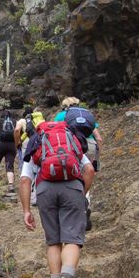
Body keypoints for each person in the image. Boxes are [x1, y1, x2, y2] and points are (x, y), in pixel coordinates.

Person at [19, 121, 96, 278]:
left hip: (45, 190)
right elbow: (90, 170)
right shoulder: (70, 141)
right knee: (72, 239)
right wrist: (81, 194)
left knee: (53, 241)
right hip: (72, 187)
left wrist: (26, 210)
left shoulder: (35, 143)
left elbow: (24, 180)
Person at [53, 97, 103, 230]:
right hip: (91, 146)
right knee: (86, 179)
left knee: (72, 179)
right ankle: (86, 206)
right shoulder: (87, 114)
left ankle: (71, 213)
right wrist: (97, 159)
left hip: (73, 147)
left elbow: (56, 135)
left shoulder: (61, 116)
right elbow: (99, 138)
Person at [14, 107, 44, 203]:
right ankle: (38, 194)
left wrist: (18, 142)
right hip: (39, 144)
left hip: (26, 145)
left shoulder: (22, 120)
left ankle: (30, 196)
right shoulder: (39, 118)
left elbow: (17, 130)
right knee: (38, 169)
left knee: (26, 170)